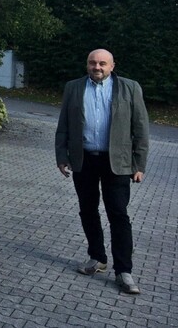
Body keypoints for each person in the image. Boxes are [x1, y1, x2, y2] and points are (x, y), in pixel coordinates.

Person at [55, 49, 149, 294]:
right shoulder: (73, 87)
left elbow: (140, 127)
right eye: (92, 63)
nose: (97, 67)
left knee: (118, 214)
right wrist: (61, 156)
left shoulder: (129, 88)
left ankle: (124, 271)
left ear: (112, 65)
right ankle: (97, 258)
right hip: (84, 160)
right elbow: (63, 125)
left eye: (102, 63)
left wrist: (139, 165)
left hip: (117, 162)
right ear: (87, 64)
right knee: (87, 210)